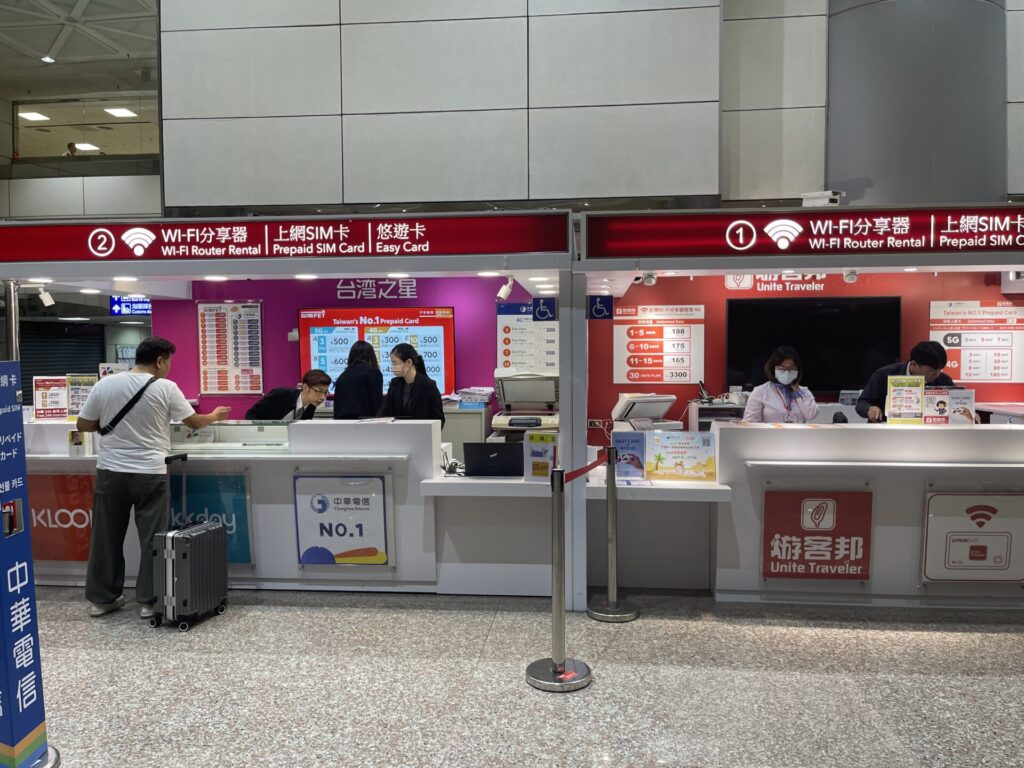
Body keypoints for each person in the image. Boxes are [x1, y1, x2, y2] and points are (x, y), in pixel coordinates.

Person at [76, 337, 230, 619]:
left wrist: (110, 430)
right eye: (168, 362)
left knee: (105, 537)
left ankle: (102, 599)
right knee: (153, 539)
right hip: (150, 472)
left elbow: (83, 424)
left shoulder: (105, 384)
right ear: (159, 360)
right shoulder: (165, 387)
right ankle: (149, 601)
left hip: (111, 471)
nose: (169, 368)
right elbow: (194, 422)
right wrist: (215, 416)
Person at [856, 340, 955, 423]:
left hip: (929, 434)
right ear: (914, 364)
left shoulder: (943, 380)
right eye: (932, 371)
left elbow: (955, 404)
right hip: (887, 431)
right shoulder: (885, 375)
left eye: (940, 370)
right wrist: (870, 409)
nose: (937, 374)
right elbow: (862, 403)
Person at [742, 346, 819, 423]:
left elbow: (811, 414)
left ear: (797, 369)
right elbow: (750, 423)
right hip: (769, 434)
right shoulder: (760, 391)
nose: (787, 372)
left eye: (791, 368)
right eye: (782, 368)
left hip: (797, 434)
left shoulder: (803, 391)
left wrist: (797, 391)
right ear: (773, 369)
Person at [377, 343, 445, 426]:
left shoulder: (428, 385)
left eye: (395, 363)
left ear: (408, 362)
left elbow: (439, 419)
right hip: (398, 434)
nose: (392, 367)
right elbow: (384, 411)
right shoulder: (395, 384)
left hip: (421, 435)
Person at [245, 369, 331, 421]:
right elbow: (250, 414)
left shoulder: (311, 406)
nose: (322, 397)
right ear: (305, 388)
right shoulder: (280, 395)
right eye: (319, 391)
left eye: (325, 392)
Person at [333, 341, 384, 420]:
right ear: (371, 355)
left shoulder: (343, 375)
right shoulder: (373, 372)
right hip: (365, 423)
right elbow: (376, 403)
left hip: (342, 423)